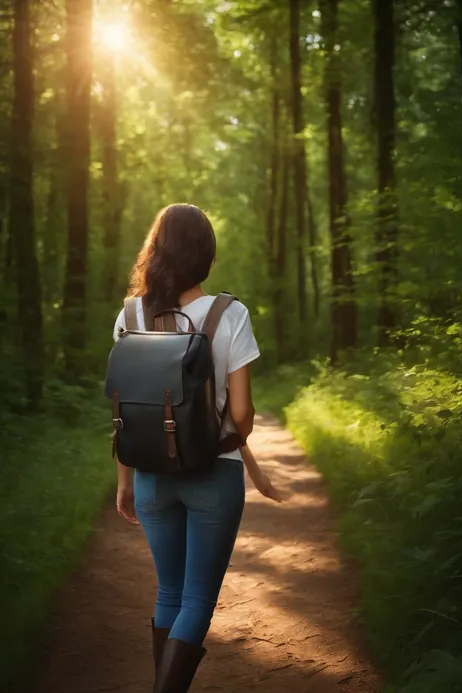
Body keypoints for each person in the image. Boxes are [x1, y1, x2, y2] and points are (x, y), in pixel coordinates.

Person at [112, 203, 282, 693]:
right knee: (197, 601)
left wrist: (125, 481)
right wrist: (229, 441)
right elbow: (244, 414)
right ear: (206, 255)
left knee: (168, 591)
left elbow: (124, 410)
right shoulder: (230, 313)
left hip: (150, 478)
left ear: (156, 251)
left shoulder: (129, 316)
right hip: (214, 476)